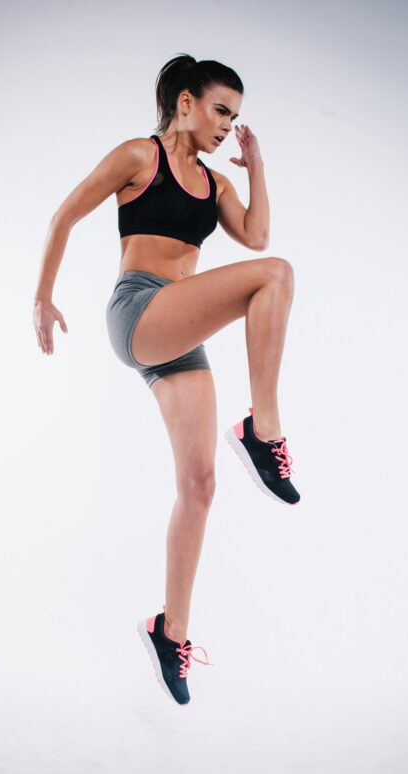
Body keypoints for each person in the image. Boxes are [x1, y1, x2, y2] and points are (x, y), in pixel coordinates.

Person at [33, 53, 300, 706]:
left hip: (177, 334)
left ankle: (170, 630)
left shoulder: (214, 185)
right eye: (219, 111)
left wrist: (255, 166)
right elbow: (64, 216)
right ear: (184, 102)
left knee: (200, 483)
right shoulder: (138, 157)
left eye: (235, 117)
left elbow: (256, 231)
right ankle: (263, 429)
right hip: (139, 309)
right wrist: (43, 297)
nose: (225, 126)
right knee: (274, 274)